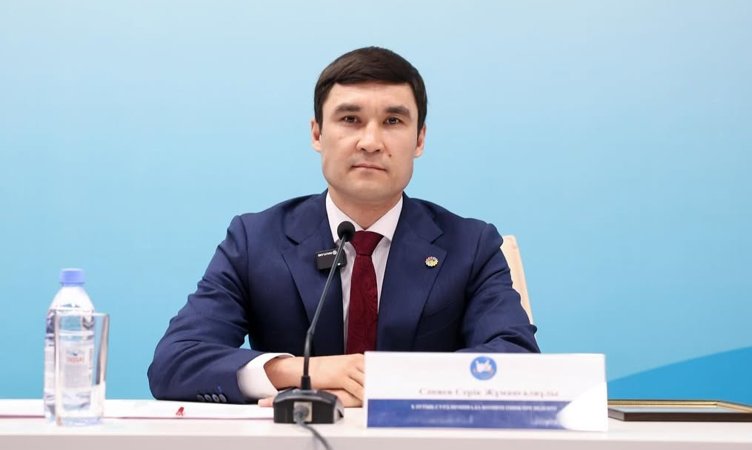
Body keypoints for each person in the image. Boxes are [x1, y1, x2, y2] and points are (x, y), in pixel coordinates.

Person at [148, 46, 540, 407]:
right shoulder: (256, 240)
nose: (370, 142)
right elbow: (175, 362)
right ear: (317, 133)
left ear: (419, 140)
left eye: (393, 121)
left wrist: (379, 388)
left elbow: (515, 359)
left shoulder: (470, 245)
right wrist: (299, 373)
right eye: (350, 119)